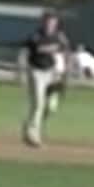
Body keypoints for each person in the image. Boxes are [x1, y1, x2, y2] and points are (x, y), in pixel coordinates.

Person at [20, 12, 71, 148]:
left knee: (51, 106)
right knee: (38, 103)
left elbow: (65, 54)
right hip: (36, 72)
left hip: (52, 73)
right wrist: (21, 71)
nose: (50, 25)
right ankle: (33, 135)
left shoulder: (59, 38)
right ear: (43, 23)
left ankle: (31, 125)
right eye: (47, 22)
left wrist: (64, 73)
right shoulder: (36, 37)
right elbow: (24, 53)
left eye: (52, 22)